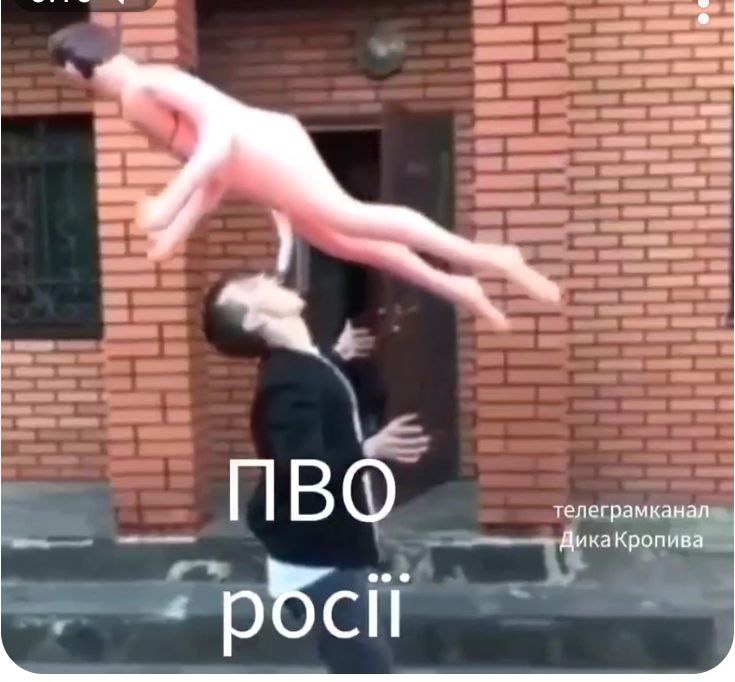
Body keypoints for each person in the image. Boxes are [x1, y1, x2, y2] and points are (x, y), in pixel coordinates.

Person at [48, 21, 561, 329]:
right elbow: (213, 176)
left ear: (79, 65)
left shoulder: (146, 86)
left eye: (66, 73)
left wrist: (167, 202)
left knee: (352, 217)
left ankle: (491, 257)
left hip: (269, 149)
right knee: (345, 242)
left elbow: (220, 136)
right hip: (257, 168)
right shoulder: (135, 105)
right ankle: (460, 289)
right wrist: (173, 232)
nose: (72, 82)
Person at [203, 271, 431, 673]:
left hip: (330, 547)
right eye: (254, 287)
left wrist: (336, 356)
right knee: (366, 667)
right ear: (256, 320)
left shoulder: (301, 362)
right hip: (319, 559)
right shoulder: (288, 383)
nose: (266, 278)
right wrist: (369, 449)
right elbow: (304, 471)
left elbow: (313, 380)